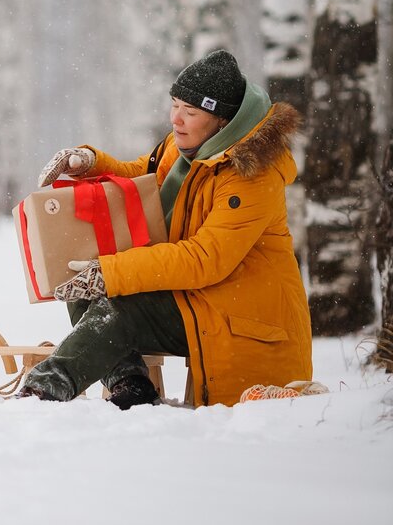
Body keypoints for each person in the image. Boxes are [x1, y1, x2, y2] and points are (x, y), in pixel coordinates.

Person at [19, 49, 312, 409]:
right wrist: (90, 163)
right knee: (79, 280)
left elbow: (205, 259)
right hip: (200, 298)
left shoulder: (251, 175)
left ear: (222, 121)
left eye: (190, 112)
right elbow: (146, 176)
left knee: (120, 304)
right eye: (174, 104)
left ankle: (42, 391)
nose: (176, 119)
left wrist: (111, 272)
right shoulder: (189, 146)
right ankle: (130, 383)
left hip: (239, 318)